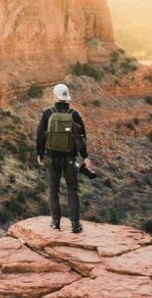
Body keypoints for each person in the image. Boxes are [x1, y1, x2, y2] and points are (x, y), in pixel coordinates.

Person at [36, 83, 93, 232]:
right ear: (67, 97)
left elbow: (40, 135)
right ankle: (75, 224)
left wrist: (39, 154)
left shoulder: (48, 113)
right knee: (72, 189)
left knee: (53, 189)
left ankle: (55, 222)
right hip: (70, 158)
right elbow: (81, 137)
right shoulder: (74, 114)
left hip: (51, 157)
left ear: (55, 96)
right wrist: (85, 156)